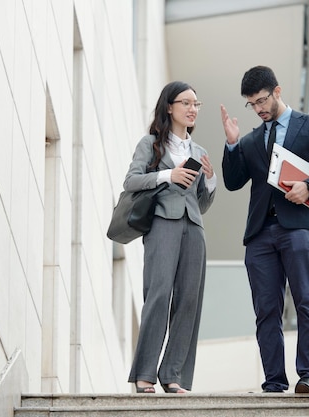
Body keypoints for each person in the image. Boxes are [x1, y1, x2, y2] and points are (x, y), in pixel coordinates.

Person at [220, 65, 309, 393]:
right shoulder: (250, 140)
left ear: (277, 91)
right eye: (252, 104)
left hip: (301, 229)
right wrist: (232, 145)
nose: (259, 109)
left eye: (262, 100)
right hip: (261, 233)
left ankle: (308, 377)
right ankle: (274, 382)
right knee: (266, 310)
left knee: (306, 301)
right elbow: (233, 183)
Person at [126, 81, 216, 394]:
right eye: (186, 103)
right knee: (159, 294)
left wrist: (210, 178)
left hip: (194, 227)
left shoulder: (200, 151)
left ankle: (173, 374)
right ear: (169, 107)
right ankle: (145, 375)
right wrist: (169, 175)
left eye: (197, 104)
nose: (193, 109)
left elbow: (202, 203)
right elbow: (132, 181)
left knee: (189, 299)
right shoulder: (151, 144)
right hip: (162, 223)